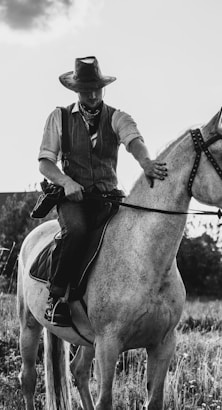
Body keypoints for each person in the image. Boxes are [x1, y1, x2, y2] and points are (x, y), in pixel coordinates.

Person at [38, 56, 168, 326]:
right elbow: (45, 162)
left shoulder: (118, 117)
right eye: (87, 89)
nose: (94, 94)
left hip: (108, 197)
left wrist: (146, 162)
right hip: (73, 198)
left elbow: (134, 140)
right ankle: (56, 298)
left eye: (97, 88)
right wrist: (66, 182)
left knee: (135, 234)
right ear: (76, 90)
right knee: (77, 232)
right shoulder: (59, 117)